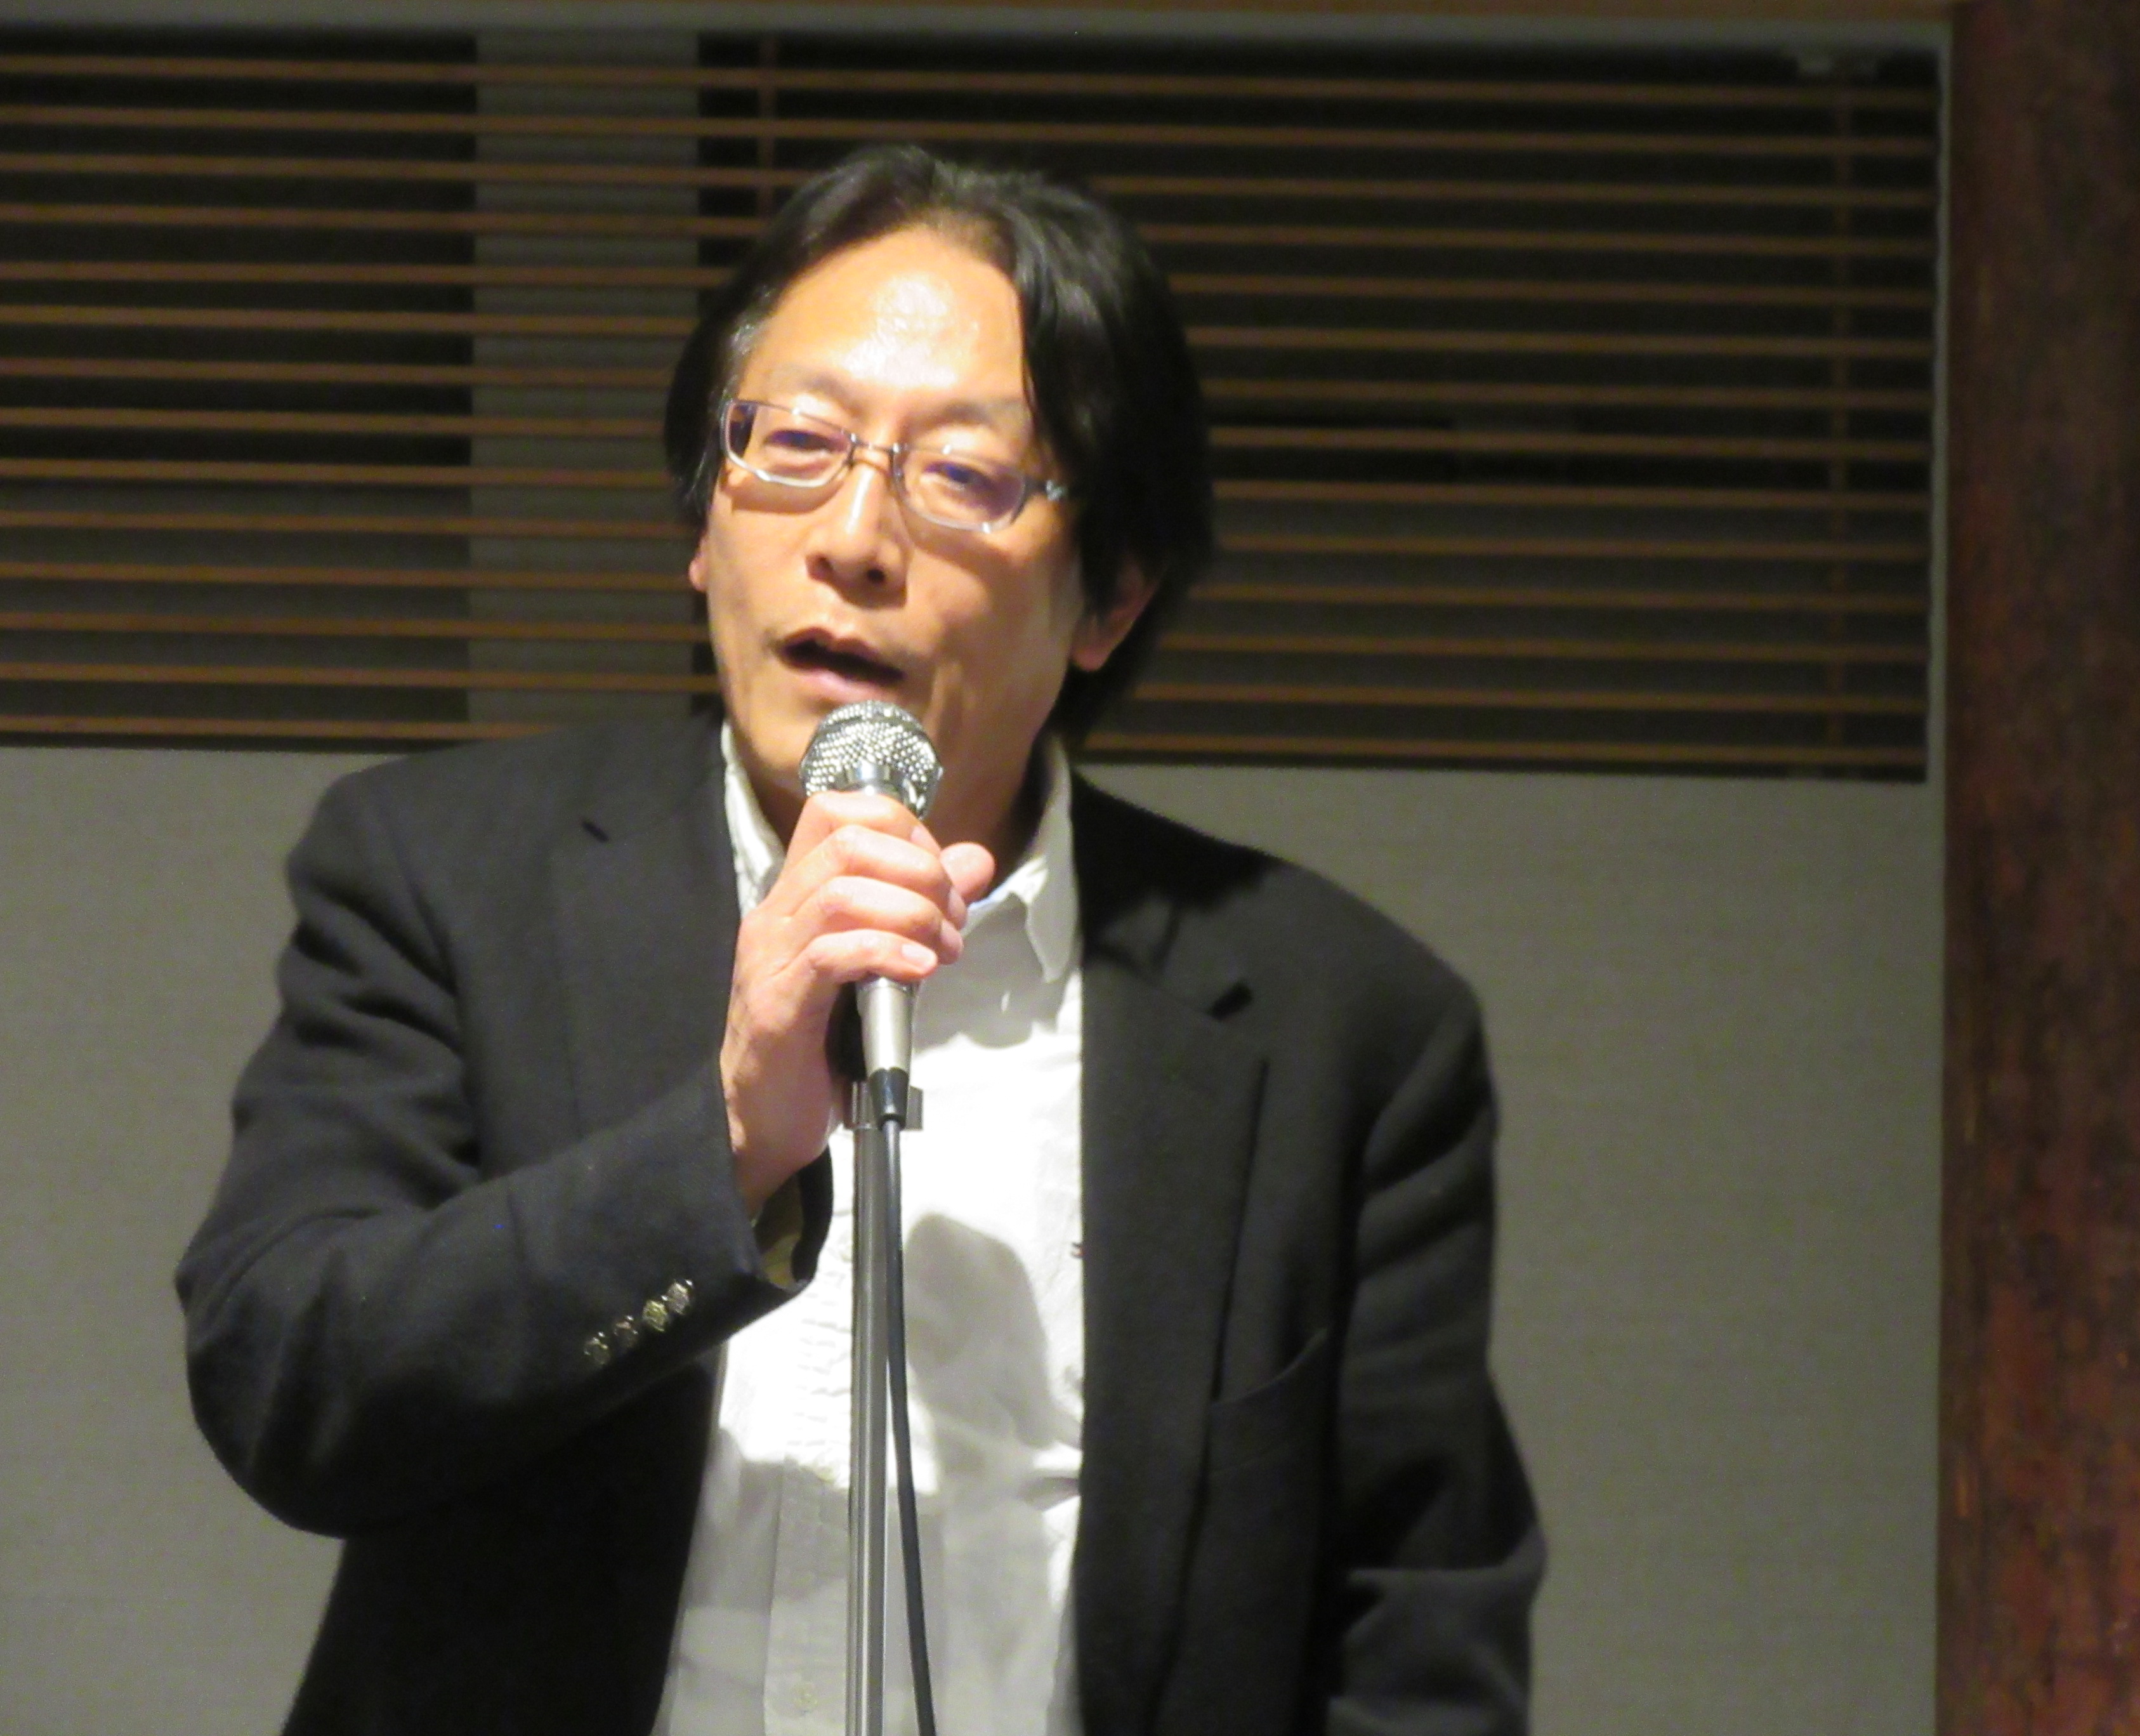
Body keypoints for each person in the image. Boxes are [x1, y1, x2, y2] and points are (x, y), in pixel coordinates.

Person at [177, 145, 1540, 1736]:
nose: (853, 538)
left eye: (963, 475)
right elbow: (289, 1381)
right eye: (797, 444)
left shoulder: (1340, 1031)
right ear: (706, 520)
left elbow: (1419, 1637)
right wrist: (723, 1151)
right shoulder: (447, 875)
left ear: (1110, 598)